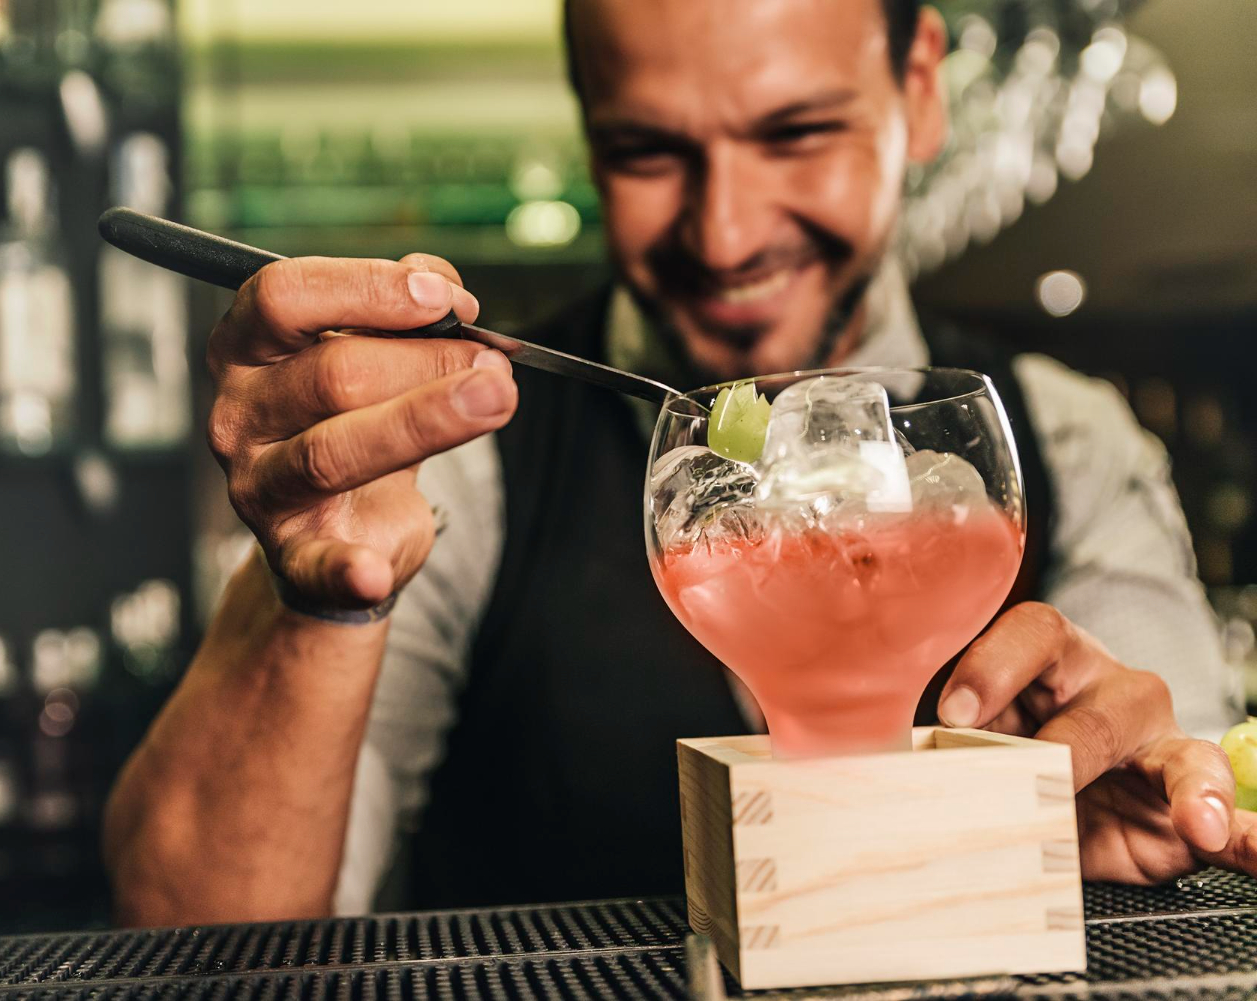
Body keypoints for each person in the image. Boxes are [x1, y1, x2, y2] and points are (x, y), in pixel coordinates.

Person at [103, 0, 1254, 925]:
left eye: (794, 132)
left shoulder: (1065, 440)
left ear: (919, 85)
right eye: (648, 151)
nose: (725, 233)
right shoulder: (462, 457)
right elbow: (189, 930)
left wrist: (1145, 820)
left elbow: (1212, 826)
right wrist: (316, 602)